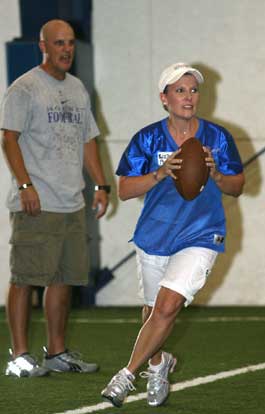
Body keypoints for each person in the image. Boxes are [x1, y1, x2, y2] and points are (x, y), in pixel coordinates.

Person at [101, 62, 245, 407]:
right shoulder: (147, 138)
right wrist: (161, 172)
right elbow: (124, 190)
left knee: (167, 306)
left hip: (201, 233)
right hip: (156, 233)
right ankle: (158, 362)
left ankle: (126, 375)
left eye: (193, 90)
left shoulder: (218, 137)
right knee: (153, 310)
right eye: (180, 90)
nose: (189, 97)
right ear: (164, 98)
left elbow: (237, 186)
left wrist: (216, 174)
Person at [0, 19, 110, 377]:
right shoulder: (25, 88)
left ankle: (56, 353)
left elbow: (88, 140)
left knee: (63, 279)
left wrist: (101, 184)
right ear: (43, 46)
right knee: (25, 278)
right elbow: (9, 138)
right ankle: (18, 356)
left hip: (71, 202)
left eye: (71, 44)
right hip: (37, 201)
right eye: (59, 43)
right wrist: (25, 186)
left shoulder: (78, 89)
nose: (66, 50)